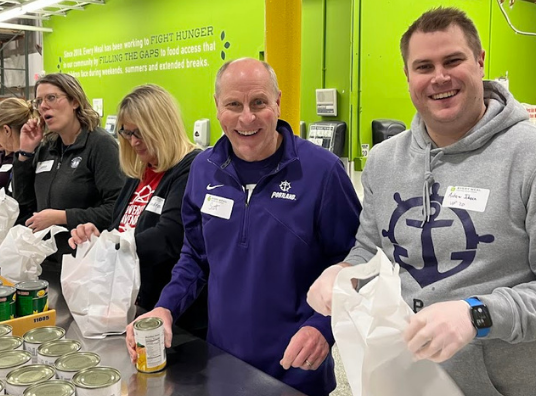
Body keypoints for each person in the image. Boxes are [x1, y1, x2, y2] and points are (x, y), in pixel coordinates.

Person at [306, 7, 536, 396]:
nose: (439, 77)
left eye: (453, 60)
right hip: (401, 378)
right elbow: (372, 247)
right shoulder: (385, 160)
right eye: (423, 66)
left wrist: (478, 314)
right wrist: (342, 272)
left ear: (480, 62)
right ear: (407, 76)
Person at [126, 58, 361, 396]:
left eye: (259, 103)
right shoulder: (204, 169)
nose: (247, 118)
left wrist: (324, 328)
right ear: (218, 107)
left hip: (296, 370)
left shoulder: (322, 172)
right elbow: (195, 257)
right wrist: (166, 307)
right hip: (222, 363)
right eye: (233, 105)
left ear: (278, 102)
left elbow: (355, 263)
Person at [68, 84, 208, 339]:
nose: (133, 142)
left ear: (162, 127)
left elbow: (169, 237)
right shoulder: (139, 171)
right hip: (134, 304)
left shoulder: (192, 167)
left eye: (140, 133)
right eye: (127, 133)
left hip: (176, 315)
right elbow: (120, 227)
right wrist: (99, 235)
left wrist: (109, 246)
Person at [14, 73, 125, 325]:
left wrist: (63, 217)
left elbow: (116, 210)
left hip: (88, 269)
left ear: (75, 101)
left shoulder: (100, 146)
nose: (43, 107)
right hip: (49, 266)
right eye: (39, 101)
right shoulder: (47, 147)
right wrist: (24, 154)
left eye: (51, 98)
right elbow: (24, 203)